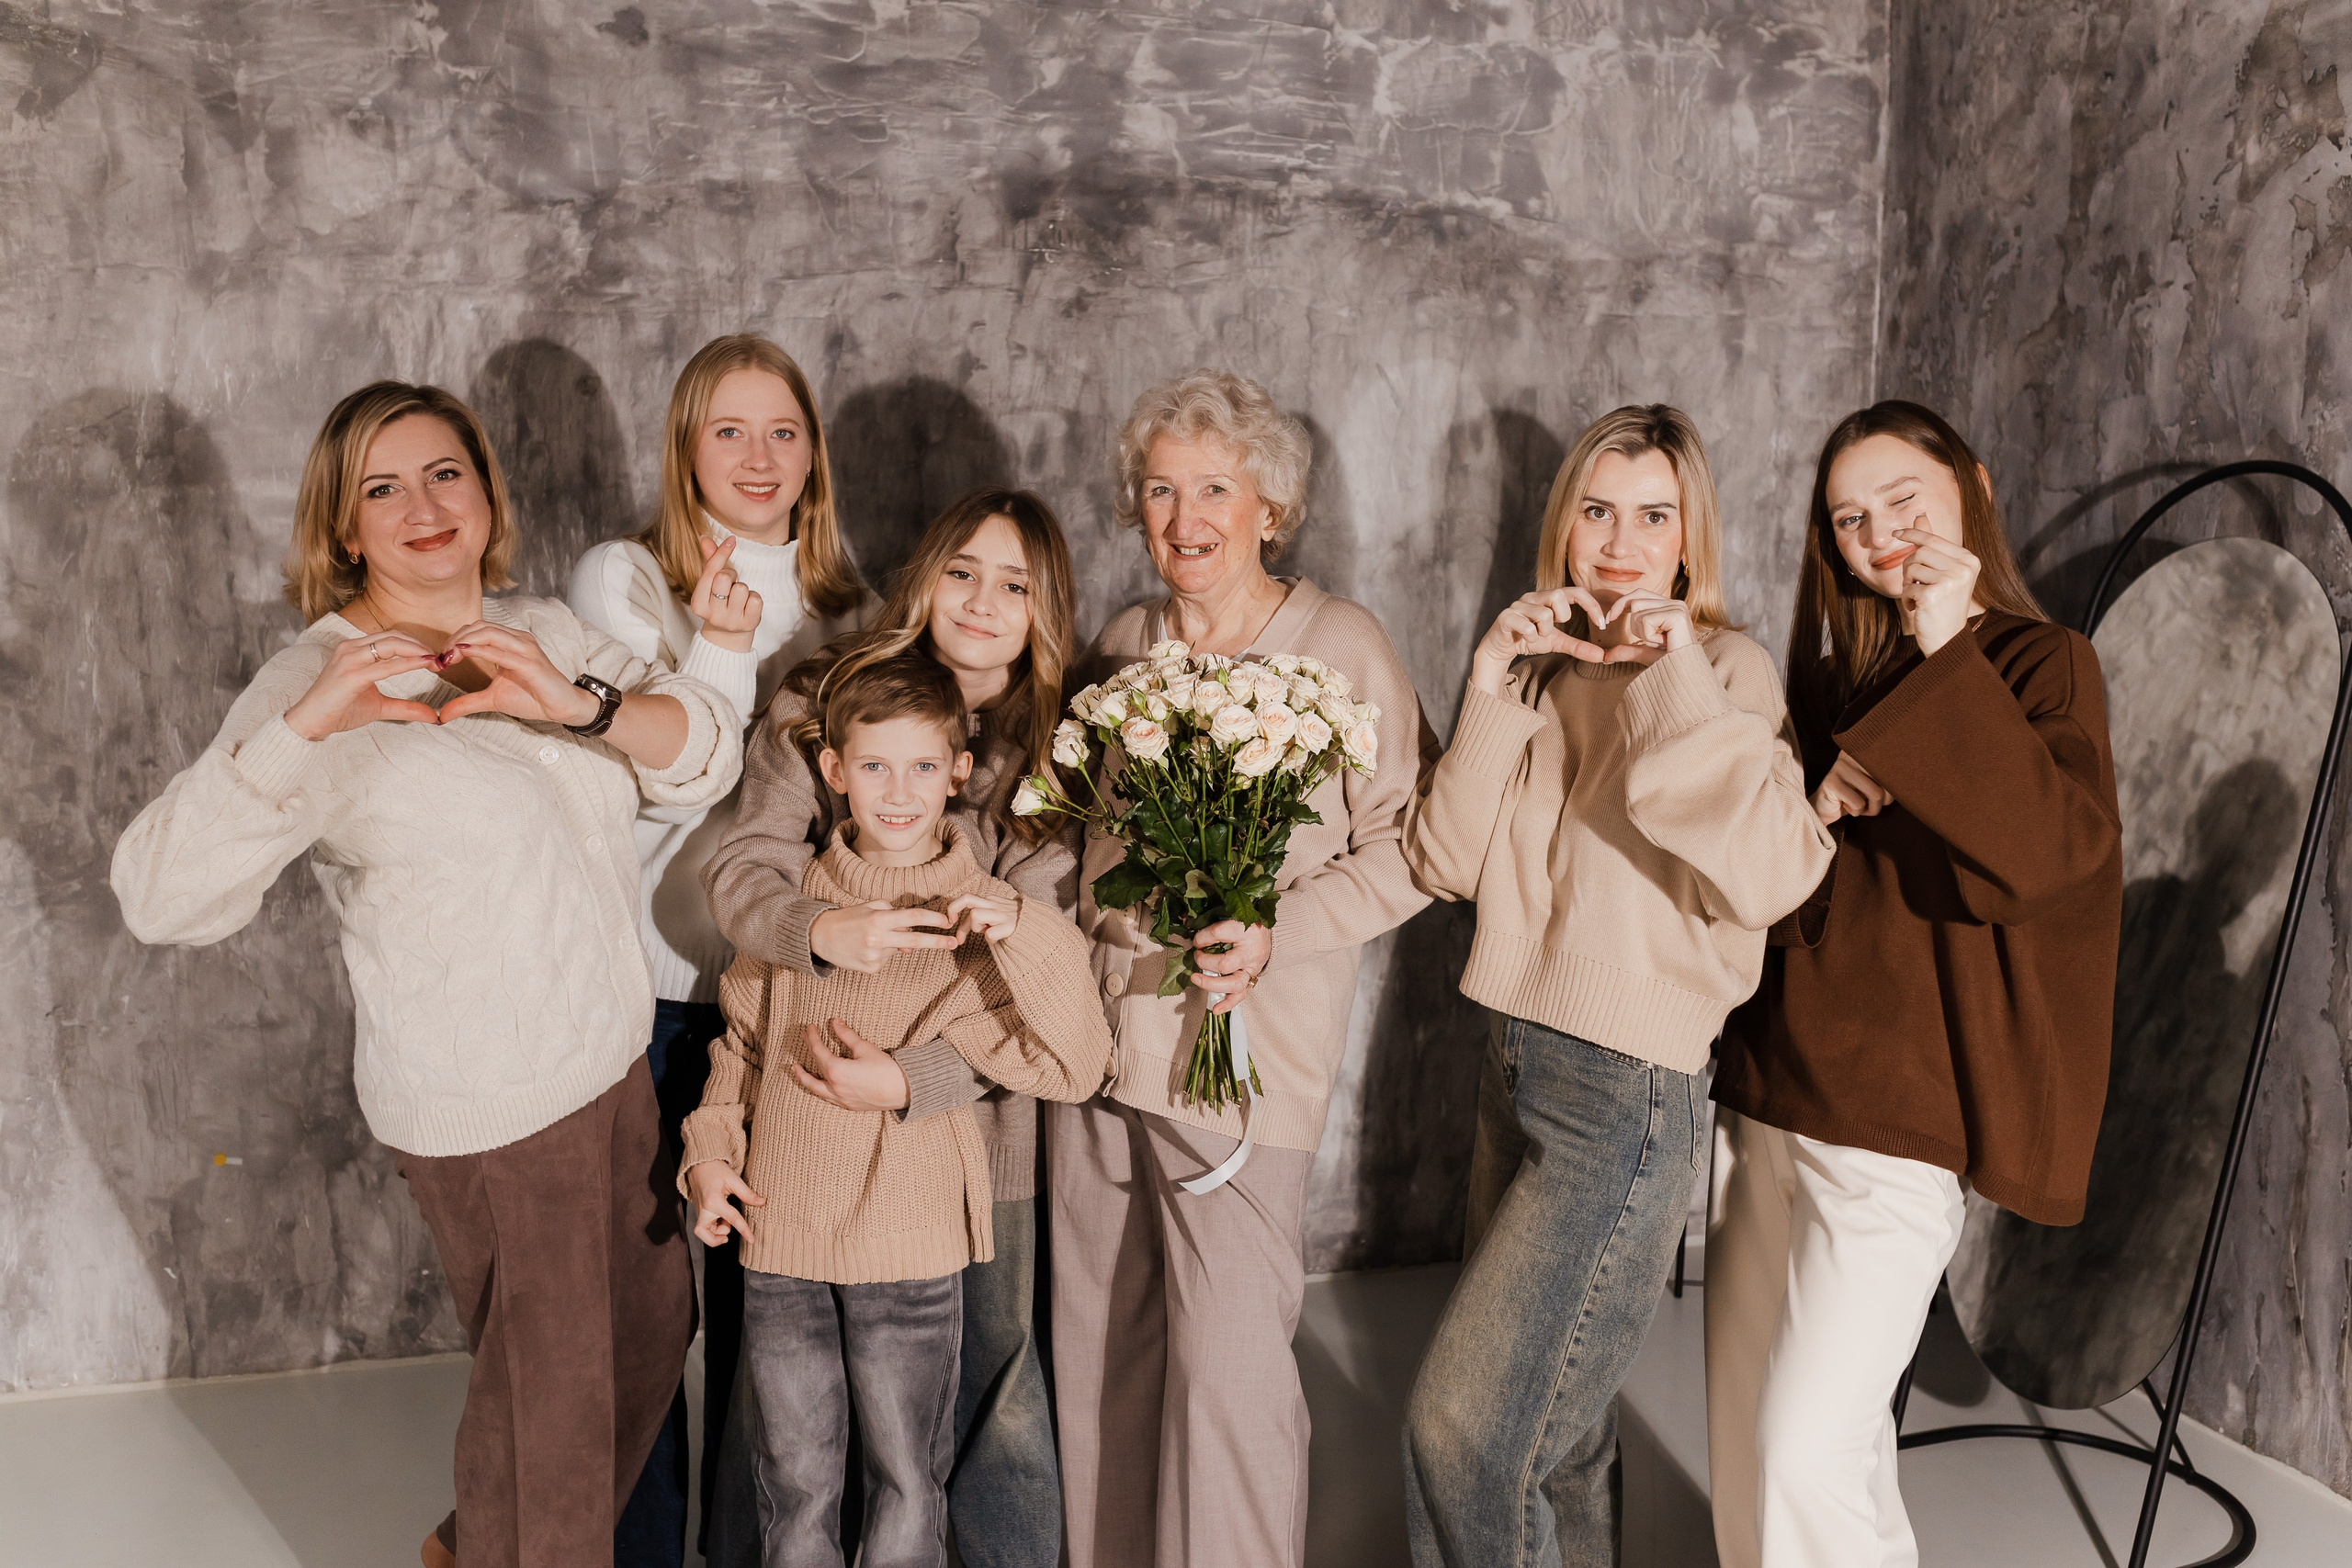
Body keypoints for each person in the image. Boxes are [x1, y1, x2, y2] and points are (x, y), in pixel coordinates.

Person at [108, 381, 744, 1568]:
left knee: (654, 1336)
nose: (421, 506)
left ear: (488, 491)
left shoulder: (542, 628)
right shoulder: (324, 679)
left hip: (613, 1070)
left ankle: (468, 1543)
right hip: (496, 1110)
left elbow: (705, 751)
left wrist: (581, 705)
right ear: (345, 528)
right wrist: (304, 728)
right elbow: (159, 893)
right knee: (553, 1433)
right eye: (381, 489)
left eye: (444, 472)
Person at [1396, 405, 1835, 1565]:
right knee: (1566, 1429)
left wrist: (1674, 668)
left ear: (1690, 539)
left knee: (1462, 1431)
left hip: (1626, 1092)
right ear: (1565, 526)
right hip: (1512, 1059)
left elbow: (1770, 880)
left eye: (1653, 516)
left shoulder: (1726, 667)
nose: (1620, 543)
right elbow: (1442, 861)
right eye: (1597, 512)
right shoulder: (1538, 668)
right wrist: (1493, 679)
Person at [1705, 400, 2121, 1568]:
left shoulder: (2043, 663)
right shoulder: (1833, 678)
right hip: (1769, 1094)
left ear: (1971, 490)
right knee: (1751, 1452)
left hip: (1899, 1120)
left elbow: (2046, 862)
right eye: (1849, 519)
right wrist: (1815, 803)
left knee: (1806, 1450)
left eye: (1903, 500)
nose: (1878, 534)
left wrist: (1949, 644)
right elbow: (1772, 891)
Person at [1050, 369, 1433, 1568]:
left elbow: (1412, 853)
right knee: (1101, 1370)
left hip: (1242, 1074)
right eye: (1160, 489)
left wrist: (1278, 924)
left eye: (1215, 486)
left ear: (1271, 505)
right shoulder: (1122, 645)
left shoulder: (1340, 645)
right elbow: (1081, 849)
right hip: (1104, 1061)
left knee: (1230, 1392)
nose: (1185, 515)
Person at [699, 487, 1083, 1568]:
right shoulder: (823, 695)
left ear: (1043, 611)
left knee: (988, 1387)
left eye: (1014, 585)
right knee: (787, 1424)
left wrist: (920, 1080)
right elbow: (745, 870)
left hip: (970, 1135)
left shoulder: (1054, 752)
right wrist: (822, 930)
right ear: (924, 576)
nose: (980, 601)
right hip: (809, 1121)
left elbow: (1041, 970)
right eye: (962, 569)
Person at [568, 333, 867, 1565]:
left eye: (783, 431)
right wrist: (723, 645)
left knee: (771, 1324)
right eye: (728, 431)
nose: (760, 457)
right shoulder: (623, 583)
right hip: (640, 996)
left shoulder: (856, 610)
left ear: (813, 454)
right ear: (685, 447)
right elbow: (663, 781)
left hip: (774, 1006)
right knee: (638, 1325)